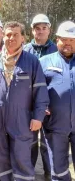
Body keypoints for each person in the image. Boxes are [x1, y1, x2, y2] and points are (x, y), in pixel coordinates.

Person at [0, 21, 49, 181]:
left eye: (16, 34)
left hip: (22, 121)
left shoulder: (31, 61)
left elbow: (41, 90)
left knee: (22, 161)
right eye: (8, 34)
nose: (11, 38)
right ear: (3, 36)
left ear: (23, 37)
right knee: (1, 162)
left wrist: (38, 117)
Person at [40, 21, 75, 180]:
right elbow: (34, 90)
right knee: (58, 167)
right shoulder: (44, 62)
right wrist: (40, 106)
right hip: (55, 125)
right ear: (57, 40)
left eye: (72, 40)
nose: (67, 43)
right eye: (64, 39)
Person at [24, 14, 57, 178]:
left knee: (47, 142)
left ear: (49, 30)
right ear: (32, 31)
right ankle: (28, 172)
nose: (41, 31)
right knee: (29, 140)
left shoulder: (57, 50)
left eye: (44, 28)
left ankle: (48, 173)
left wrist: (51, 104)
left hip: (50, 106)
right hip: (28, 105)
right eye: (37, 28)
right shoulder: (25, 51)